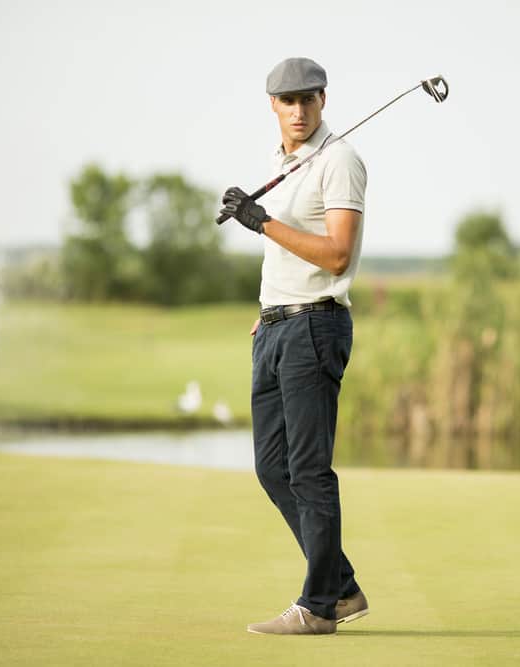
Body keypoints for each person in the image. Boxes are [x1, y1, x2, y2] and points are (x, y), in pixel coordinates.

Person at [218, 57, 369, 636]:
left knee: (308, 471)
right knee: (271, 468)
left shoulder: (342, 161)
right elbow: (282, 255)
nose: (299, 110)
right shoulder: (282, 163)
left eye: (308, 99)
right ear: (273, 106)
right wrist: (266, 312)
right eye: (288, 101)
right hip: (276, 326)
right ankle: (344, 587)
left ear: (323, 100)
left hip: (315, 326)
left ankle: (319, 607)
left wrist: (261, 222)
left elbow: (336, 254)